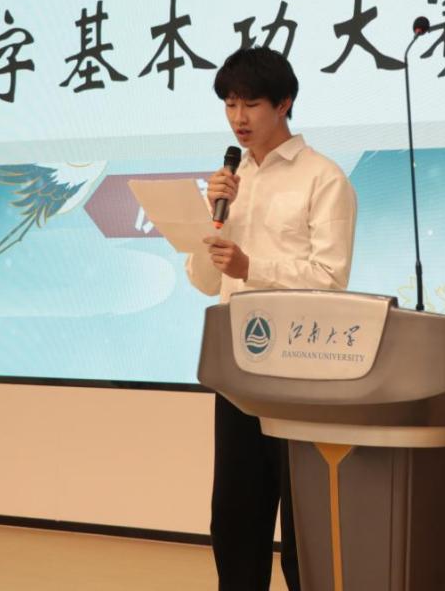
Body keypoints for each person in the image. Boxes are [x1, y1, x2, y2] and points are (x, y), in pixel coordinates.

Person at [185, 47, 357, 591]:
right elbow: (204, 280)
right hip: (238, 368)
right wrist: (214, 218)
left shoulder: (323, 178)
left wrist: (252, 268)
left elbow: (330, 279)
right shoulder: (230, 182)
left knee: (304, 526)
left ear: (284, 103)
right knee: (235, 519)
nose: (238, 118)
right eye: (230, 104)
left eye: (251, 104)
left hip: (300, 372)